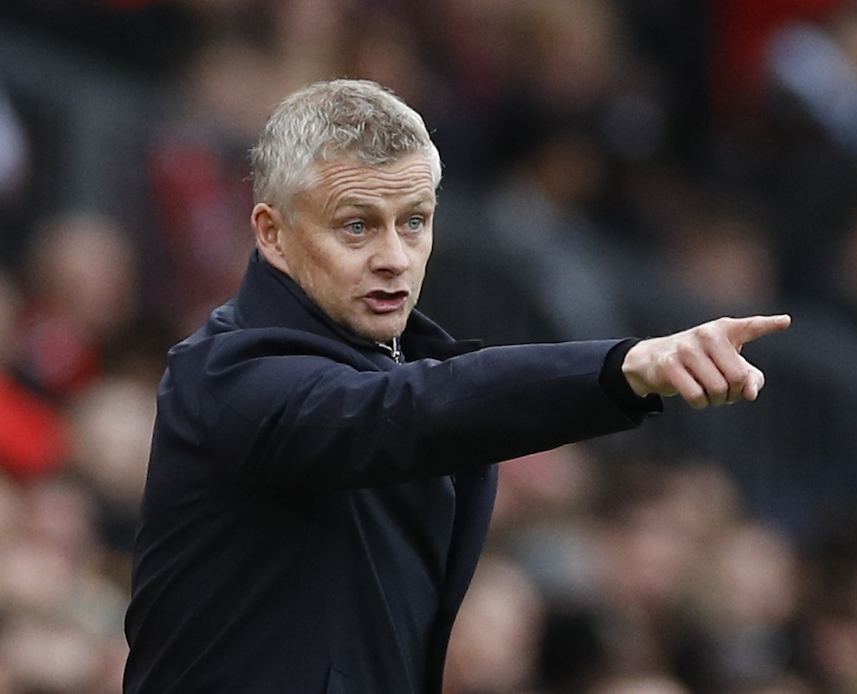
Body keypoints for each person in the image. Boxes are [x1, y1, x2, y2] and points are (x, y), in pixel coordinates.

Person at [122, 78, 790, 694]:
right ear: (273, 234)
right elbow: (401, 412)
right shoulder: (223, 373)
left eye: (413, 221)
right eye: (357, 224)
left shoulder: (402, 363)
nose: (393, 256)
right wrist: (622, 368)